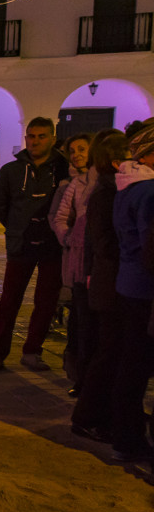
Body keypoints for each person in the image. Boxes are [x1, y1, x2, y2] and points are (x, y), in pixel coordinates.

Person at [0, 117, 70, 372]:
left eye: (42, 136)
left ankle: (32, 351)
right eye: (31, 136)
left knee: (45, 301)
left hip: (53, 245)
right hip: (21, 244)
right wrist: (17, 227)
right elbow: (0, 204)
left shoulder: (64, 168)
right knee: (8, 300)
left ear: (52, 138)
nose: (35, 141)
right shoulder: (11, 170)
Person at [69, 130, 128, 444]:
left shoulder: (108, 189)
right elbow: (105, 243)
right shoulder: (107, 193)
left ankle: (103, 414)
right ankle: (89, 416)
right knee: (107, 352)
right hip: (111, 283)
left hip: (111, 281)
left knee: (111, 352)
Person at [106, 121, 154, 461]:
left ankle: (125, 432)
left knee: (131, 363)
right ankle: (129, 435)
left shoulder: (128, 186)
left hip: (129, 282)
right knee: (136, 365)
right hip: (145, 288)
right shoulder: (148, 191)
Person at [50, 134, 94, 388]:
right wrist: (70, 239)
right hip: (77, 263)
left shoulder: (106, 182)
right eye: (72, 150)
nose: (76, 154)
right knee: (79, 322)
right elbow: (57, 217)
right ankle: (80, 378)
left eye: (82, 149)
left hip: (99, 265)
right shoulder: (70, 185)